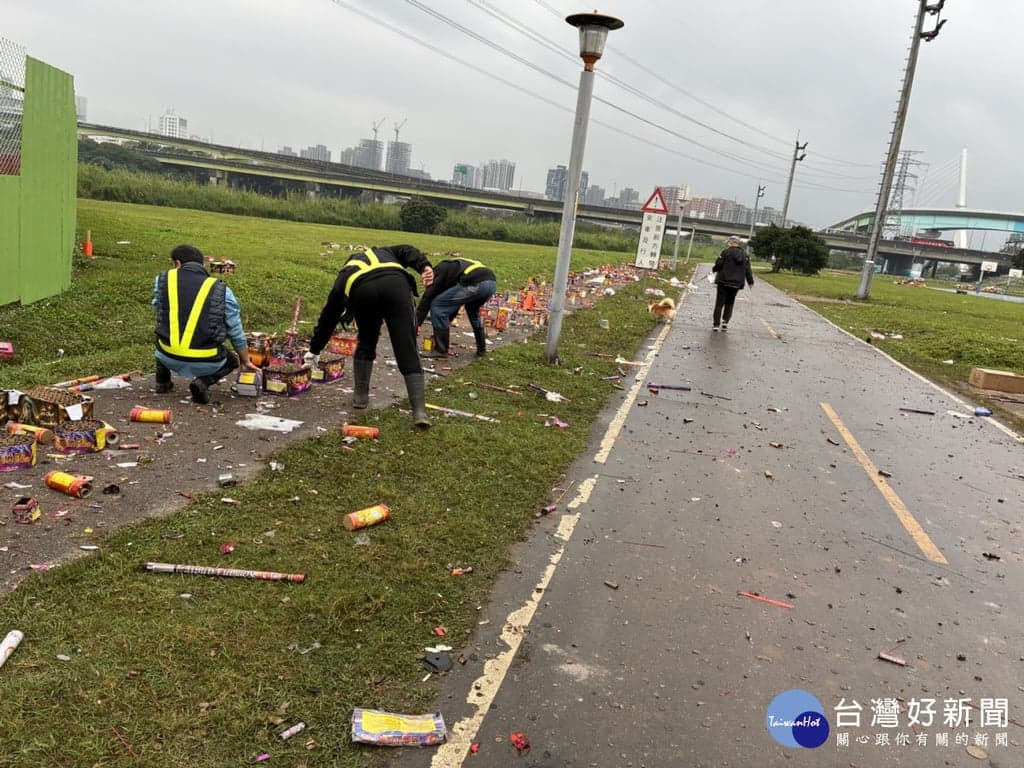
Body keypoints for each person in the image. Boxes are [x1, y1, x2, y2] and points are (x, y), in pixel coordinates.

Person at [305, 245, 435, 429]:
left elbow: (329, 316)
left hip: (363, 291)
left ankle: (360, 397)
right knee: (405, 345)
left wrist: (314, 349)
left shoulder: (345, 274)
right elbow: (407, 250)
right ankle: (419, 411)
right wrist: (424, 267)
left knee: (367, 339)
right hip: (396, 286)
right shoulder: (386, 252)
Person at [153, 244, 260, 404]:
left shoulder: (162, 280)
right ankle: (203, 382)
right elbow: (235, 330)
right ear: (202, 265)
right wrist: (245, 361)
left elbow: (159, 309)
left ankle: (162, 382)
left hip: (167, 355)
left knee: (161, 336)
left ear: (177, 263)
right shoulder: (221, 289)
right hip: (207, 360)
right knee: (232, 361)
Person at [415, 253, 497, 358]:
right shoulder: (452, 271)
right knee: (473, 311)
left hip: (474, 282)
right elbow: (454, 303)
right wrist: (447, 321)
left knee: (437, 305)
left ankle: (441, 350)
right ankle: (482, 349)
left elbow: (427, 298)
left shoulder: (439, 271)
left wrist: (416, 323)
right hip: (491, 283)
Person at [711, 236, 754, 331]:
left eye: (728, 242)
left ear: (731, 243)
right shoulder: (745, 255)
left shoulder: (725, 252)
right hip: (736, 284)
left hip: (723, 282)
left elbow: (719, 264)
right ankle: (725, 322)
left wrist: (713, 270)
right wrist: (750, 282)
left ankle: (716, 325)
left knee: (719, 303)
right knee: (730, 303)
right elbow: (748, 270)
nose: (727, 244)